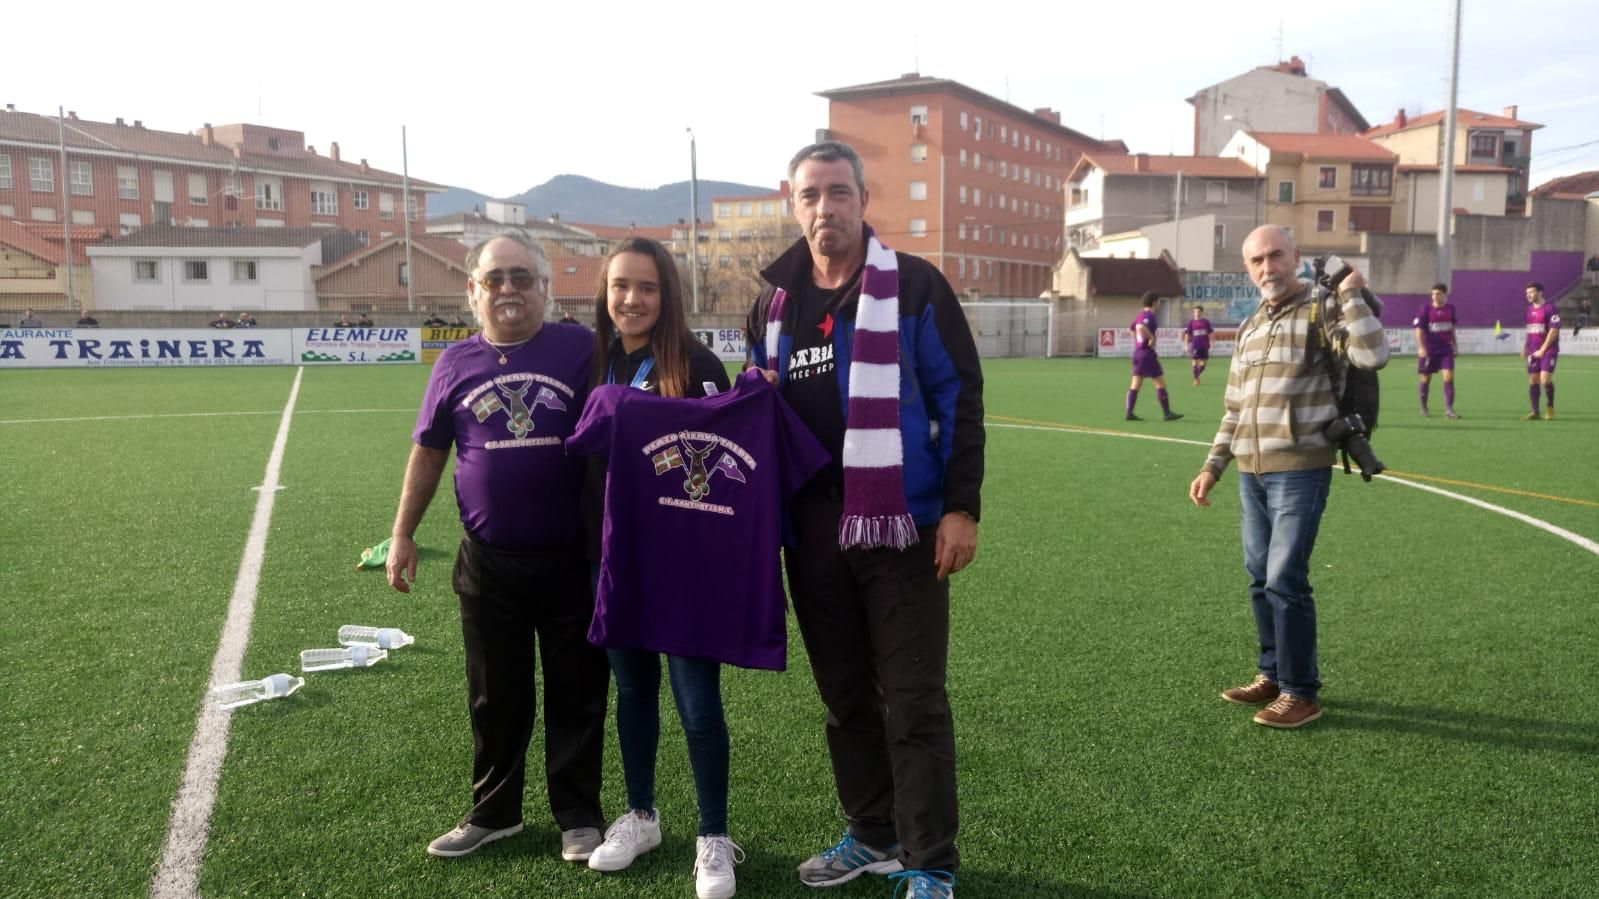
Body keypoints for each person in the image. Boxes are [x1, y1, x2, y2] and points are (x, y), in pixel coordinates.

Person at [744, 141, 984, 899]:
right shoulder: (772, 302)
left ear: (862, 198)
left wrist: (958, 507)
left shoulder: (912, 286)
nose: (825, 209)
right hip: (812, 530)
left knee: (912, 698)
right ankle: (873, 833)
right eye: (811, 195)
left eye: (838, 193)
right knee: (845, 696)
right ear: (793, 201)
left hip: (903, 526)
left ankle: (929, 863)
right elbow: (759, 412)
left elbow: (959, 400)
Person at [385, 232, 609, 863]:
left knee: (578, 692)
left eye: (521, 277)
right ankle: (494, 812)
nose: (508, 290)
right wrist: (403, 533)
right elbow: (429, 450)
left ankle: (578, 815)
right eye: (495, 280)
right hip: (488, 563)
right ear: (472, 291)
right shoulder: (453, 363)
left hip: (573, 559)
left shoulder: (584, 349)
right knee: (494, 696)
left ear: (545, 286)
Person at [572, 238, 744, 899]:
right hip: (614, 562)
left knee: (697, 706)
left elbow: (727, 463)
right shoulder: (599, 360)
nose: (631, 299)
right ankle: (641, 814)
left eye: (645, 287)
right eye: (620, 286)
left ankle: (712, 835)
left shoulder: (695, 363)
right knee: (633, 691)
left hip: (684, 567)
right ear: (604, 293)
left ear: (666, 295)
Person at [1188, 225, 1389, 729]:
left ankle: (1302, 692)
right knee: (1260, 577)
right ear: (1247, 268)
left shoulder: (1322, 307)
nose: (1267, 267)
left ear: (1296, 257)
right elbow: (1235, 407)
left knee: (1284, 578)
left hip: (1300, 469)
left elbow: (1372, 355)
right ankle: (1272, 674)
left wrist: (1350, 293)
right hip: (1251, 472)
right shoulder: (1251, 324)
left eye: (1276, 255)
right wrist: (1214, 465)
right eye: (1256, 260)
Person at [1125, 292, 1182, 421]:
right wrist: (1151, 337)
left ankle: (1129, 412)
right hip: (1146, 353)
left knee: (1135, 384)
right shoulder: (1148, 315)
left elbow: (1132, 328)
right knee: (1160, 383)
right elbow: (1141, 327)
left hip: (1138, 353)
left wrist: (1137, 341)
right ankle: (1167, 413)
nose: (1159, 304)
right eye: (1159, 301)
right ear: (1154, 302)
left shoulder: (1140, 314)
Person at [1412, 283, 1459, 419]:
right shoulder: (1425, 310)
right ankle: (1424, 407)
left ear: (1445, 294)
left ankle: (1449, 410)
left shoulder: (1451, 309)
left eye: (1438, 293)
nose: (1435, 296)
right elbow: (1419, 330)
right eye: (1433, 294)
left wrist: (1455, 346)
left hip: (1446, 349)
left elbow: (1452, 329)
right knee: (1425, 379)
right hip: (1429, 351)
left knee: (1449, 377)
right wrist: (1421, 347)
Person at [1522, 282, 1561, 420]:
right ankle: (1535, 412)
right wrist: (1525, 346)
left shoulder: (1551, 308)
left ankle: (1550, 406)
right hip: (1533, 350)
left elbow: (1554, 331)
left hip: (1549, 349)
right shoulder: (1528, 310)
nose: (1528, 295)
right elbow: (1530, 330)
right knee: (1533, 380)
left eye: (1531, 292)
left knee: (1545, 380)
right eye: (1527, 293)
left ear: (1540, 292)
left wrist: (1542, 350)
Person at [1182, 305, 1213, 387]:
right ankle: (1196, 379)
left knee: (1203, 365)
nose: (1197, 313)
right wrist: (1185, 345)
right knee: (1194, 363)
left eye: (1198, 312)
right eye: (1195, 312)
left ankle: (1196, 376)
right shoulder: (1191, 322)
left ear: (1202, 313)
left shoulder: (1206, 322)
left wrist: (1212, 341)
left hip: (1204, 345)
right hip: (1194, 345)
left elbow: (1210, 333)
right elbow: (1187, 335)